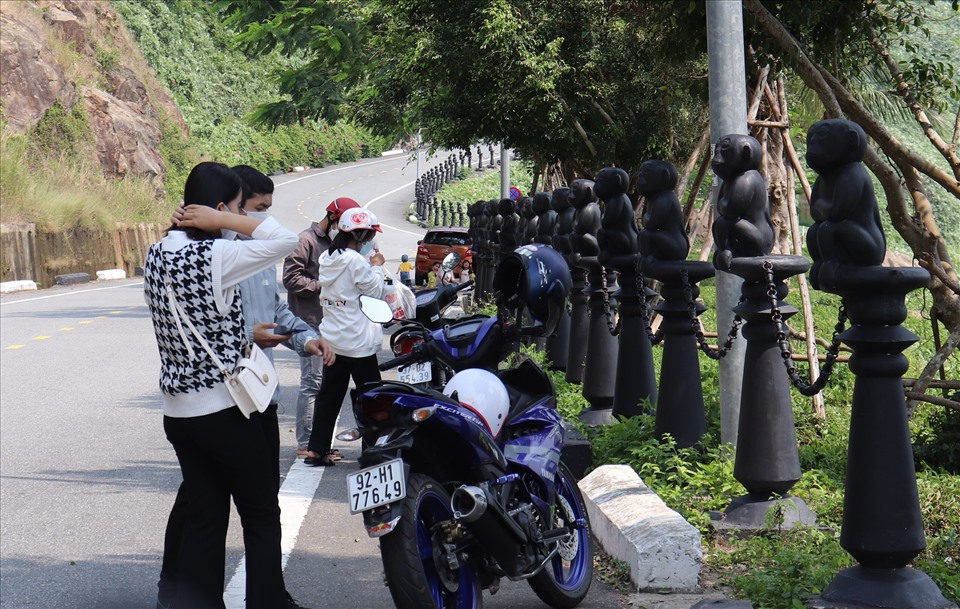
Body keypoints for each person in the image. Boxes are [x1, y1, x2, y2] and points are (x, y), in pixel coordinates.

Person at [143, 162, 321, 608]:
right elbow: (284, 239)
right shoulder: (218, 255)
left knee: (205, 517)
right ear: (220, 209)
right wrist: (223, 220)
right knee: (261, 514)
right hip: (225, 410)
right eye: (242, 210)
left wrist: (213, 217)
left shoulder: (157, 252)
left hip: (180, 414)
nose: (246, 221)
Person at [303, 208, 389, 467]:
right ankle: (372, 451)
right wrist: (377, 267)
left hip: (334, 341)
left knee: (328, 398)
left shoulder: (329, 257)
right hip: (359, 344)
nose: (371, 239)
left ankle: (316, 450)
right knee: (372, 399)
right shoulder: (355, 261)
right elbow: (374, 290)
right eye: (371, 234)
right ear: (361, 234)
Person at [282, 197, 361, 457]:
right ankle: (306, 444)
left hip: (333, 325)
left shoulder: (340, 244)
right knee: (313, 383)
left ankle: (319, 444)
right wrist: (324, 287)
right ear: (333, 218)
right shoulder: (306, 240)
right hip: (309, 322)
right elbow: (291, 279)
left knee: (326, 385)